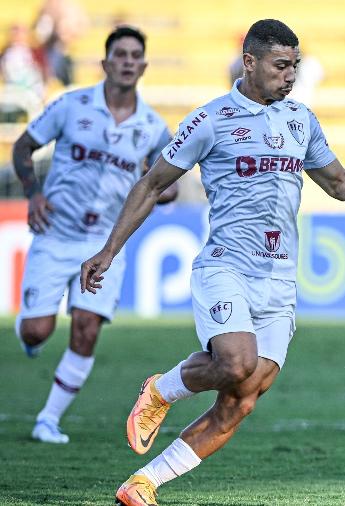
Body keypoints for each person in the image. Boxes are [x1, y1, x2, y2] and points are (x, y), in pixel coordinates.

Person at [79, 19, 345, 506]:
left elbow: (340, 183)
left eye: (295, 66)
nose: (290, 76)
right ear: (250, 62)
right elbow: (150, 183)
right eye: (281, 65)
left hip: (280, 280)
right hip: (226, 267)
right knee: (234, 362)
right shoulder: (212, 119)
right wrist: (108, 250)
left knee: (242, 397)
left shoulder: (300, 120)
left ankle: (144, 483)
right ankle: (161, 390)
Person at [11, 25, 174, 445]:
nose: (127, 61)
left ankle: (48, 419)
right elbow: (22, 147)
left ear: (143, 65)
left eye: (135, 55)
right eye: (119, 54)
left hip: (106, 243)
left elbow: (169, 186)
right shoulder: (70, 105)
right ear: (105, 63)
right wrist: (32, 195)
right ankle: (31, 337)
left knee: (86, 327)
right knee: (36, 332)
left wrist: (160, 185)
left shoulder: (153, 127)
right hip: (56, 233)